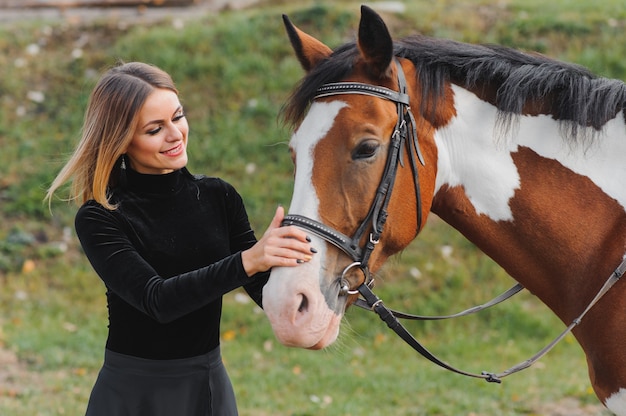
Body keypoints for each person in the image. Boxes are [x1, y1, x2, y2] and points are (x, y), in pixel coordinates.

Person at [45, 61, 315, 416]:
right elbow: (157, 300)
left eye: (178, 116)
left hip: (207, 386)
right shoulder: (100, 216)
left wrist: (319, 275)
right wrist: (249, 260)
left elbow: (264, 289)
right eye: (155, 129)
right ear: (122, 141)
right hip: (132, 393)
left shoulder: (219, 196)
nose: (175, 134)